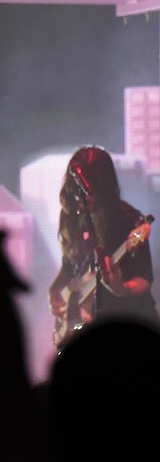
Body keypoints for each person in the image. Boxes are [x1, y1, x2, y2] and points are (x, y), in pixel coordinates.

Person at [48, 144, 157, 351]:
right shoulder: (72, 215)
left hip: (130, 326)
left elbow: (144, 279)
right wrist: (55, 289)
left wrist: (121, 288)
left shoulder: (129, 220)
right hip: (89, 327)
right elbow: (71, 263)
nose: (85, 197)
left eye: (92, 187)